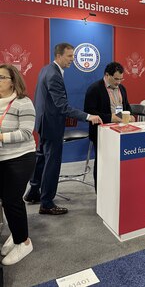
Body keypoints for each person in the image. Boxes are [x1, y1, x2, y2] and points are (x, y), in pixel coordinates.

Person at [24, 43, 102, 215]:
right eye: (69, 56)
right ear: (59, 56)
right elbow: (62, 106)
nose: (72, 60)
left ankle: (33, 193)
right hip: (51, 125)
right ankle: (47, 203)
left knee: (42, 159)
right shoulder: (54, 75)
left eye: (73, 56)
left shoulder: (46, 69)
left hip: (44, 122)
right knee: (52, 163)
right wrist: (88, 116)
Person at [0, 65, 36, 265]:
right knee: (5, 200)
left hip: (21, 157)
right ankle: (16, 234)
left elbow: (25, 133)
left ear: (12, 81)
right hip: (2, 158)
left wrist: (1, 136)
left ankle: (24, 241)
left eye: (1, 77)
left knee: (12, 200)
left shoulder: (23, 102)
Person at [84, 62, 135, 187]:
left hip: (121, 131)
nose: (119, 82)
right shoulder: (95, 88)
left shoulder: (122, 88)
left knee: (118, 162)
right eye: (116, 79)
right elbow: (89, 112)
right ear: (107, 75)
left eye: (121, 79)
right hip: (102, 132)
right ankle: (100, 192)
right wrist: (109, 118)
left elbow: (126, 106)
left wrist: (131, 115)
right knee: (102, 163)